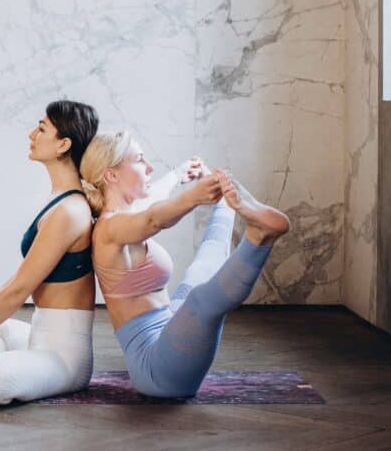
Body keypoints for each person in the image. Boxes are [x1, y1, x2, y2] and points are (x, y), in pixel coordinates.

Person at [80, 131, 290, 398]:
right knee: (200, 300)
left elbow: (152, 199)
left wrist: (180, 174)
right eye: (140, 160)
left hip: (170, 329)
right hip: (156, 370)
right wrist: (194, 197)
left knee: (201, 270)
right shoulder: (108, 228)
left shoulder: (124, 216)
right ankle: (260, 236)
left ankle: (229, 205)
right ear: (112, 175)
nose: (149, 167)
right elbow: (152, 220)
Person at [0, 100, 100, 404]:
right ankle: (12, 363)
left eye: (41, 128)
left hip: (66, 360)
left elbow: (19, 288)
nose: (31, 134)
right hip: (39, 336)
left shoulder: (69, 211)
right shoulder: (59, 200)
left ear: (63, 144)